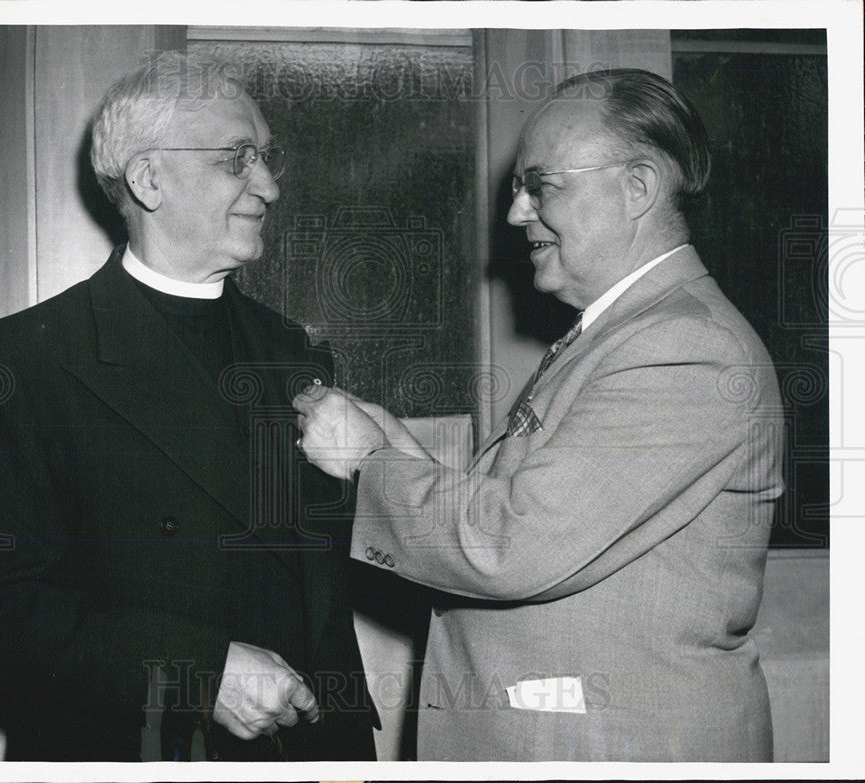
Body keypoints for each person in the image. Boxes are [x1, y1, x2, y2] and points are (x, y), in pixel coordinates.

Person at [294, 68, 783, 762]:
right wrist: (398, 452)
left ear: (637, 187)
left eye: (540, 185)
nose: (517, 213)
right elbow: (537, 518)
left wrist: (366, 465)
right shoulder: (618, 335)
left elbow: (513, 546)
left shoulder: (684, 348)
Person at [0, 52, 376, 762]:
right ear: (149, 179)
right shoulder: (22, 361)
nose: (270, 185)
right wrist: (199, 672)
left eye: (266, 159)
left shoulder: (294, 351)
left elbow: (320, 591)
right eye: (239, 159)